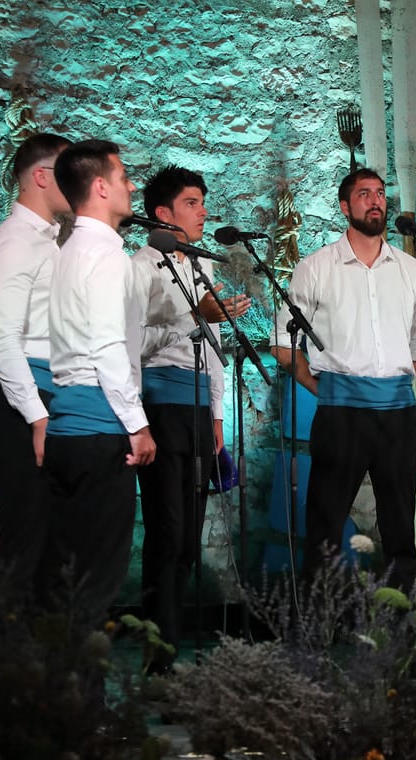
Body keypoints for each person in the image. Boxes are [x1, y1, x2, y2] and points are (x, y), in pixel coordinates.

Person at [271, 168, 416, 588]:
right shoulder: (316, 267)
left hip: (399, 414)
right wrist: (319, 387)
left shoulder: (409, 268)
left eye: (380, 193)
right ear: (345, 206)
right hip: (341, 414)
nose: (375, 201)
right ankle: (322, 615)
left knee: (400, 524)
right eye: (364, 194)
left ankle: (400, 613)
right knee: (325, 523)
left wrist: (390, 380)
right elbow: (283, 343)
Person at [133, 166, 250, 670]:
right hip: (160, 404)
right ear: (163, 214)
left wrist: (217, 416)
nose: (203, 212)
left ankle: (174, 646)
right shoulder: (141, 267)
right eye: (191, 203)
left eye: (203, 202)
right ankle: (156, 655)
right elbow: (132, 343)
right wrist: (194, 317)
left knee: (190, 534)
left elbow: (215, 353)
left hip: (199, 409)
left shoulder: (199, 267)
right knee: (167, 530)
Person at [36, 139, 156, 626]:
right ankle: (81, 674)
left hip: (66, 428)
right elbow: (107, 347)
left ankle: (53, 669)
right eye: (124, 177)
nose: (132, 186)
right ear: (101, 187)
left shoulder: (67, 250)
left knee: (64, 575)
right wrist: (138, 425)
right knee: (96, 577)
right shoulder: (106, 255)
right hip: (100, 430)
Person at [0, 133, 71, 612]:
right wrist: (37, 415)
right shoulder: (14, 241)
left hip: (46, 394)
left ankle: (37, 646)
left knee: (50, 540)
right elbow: (2, 341)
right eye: (69, 172)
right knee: (25, 536)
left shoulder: (50, 241)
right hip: (17, 400)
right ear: (41, 177)